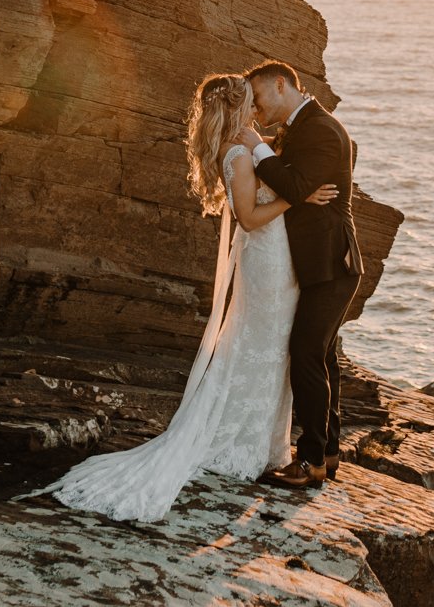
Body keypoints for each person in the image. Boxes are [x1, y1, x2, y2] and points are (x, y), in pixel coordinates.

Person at [25, 73, 335, 521]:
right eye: (250, 102)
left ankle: (269, 443)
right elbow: (249, 218)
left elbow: (278, 166)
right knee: (264, 347)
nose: (257, 110)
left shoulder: (243, 146)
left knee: (271, 348)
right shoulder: (237, 155)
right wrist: (298, 195)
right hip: (267, 261)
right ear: (236, 108)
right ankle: (241, 442)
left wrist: (291, 174)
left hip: (276, 260)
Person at [243, 59, 364, 488]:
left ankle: (310, 460)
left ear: (281, 85)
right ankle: (328, 452)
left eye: (257, 98)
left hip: (333, 264)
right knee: (323, 358)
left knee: (307, 353)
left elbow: (292, 187)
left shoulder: (321, 129)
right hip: (321, 263)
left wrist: (256, 146)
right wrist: (294, 179)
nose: (255, 109)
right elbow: (296, 185)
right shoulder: (303, 126)